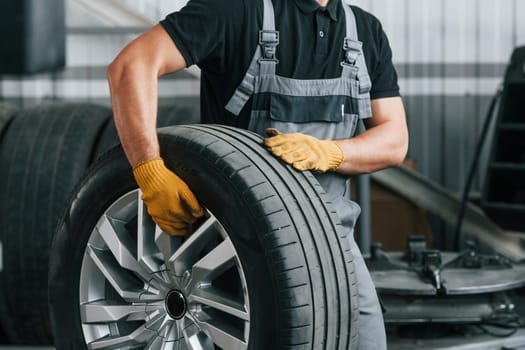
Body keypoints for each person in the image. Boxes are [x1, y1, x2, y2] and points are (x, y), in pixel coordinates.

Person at [107, 0, 408, 348]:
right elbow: (131, 65)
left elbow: (394, 140)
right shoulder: (235, 10)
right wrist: (149, 168)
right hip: (237, 252)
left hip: (333, 248)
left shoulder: (364, 31)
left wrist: (332, 152)